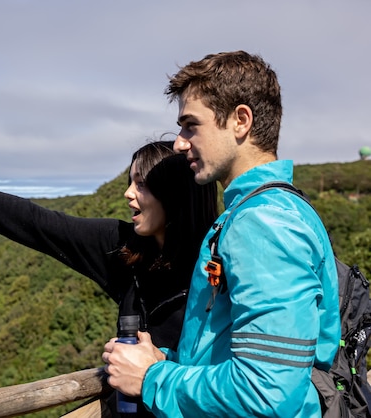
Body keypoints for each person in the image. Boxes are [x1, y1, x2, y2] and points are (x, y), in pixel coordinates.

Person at [0, 140, 218, 417]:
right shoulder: (123, 248)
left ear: (174, 195)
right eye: (130, 182)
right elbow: (37, 223)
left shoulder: (218, 267)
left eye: (141, 185)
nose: (128, 194)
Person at [102, 51, 341, 417]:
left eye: (191, 125)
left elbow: (266, 393)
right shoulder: (268, 210)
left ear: (240, 121)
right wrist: (162, 360)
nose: (180, 143)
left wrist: (152, 377)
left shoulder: (263, 224)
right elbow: (239, 354)